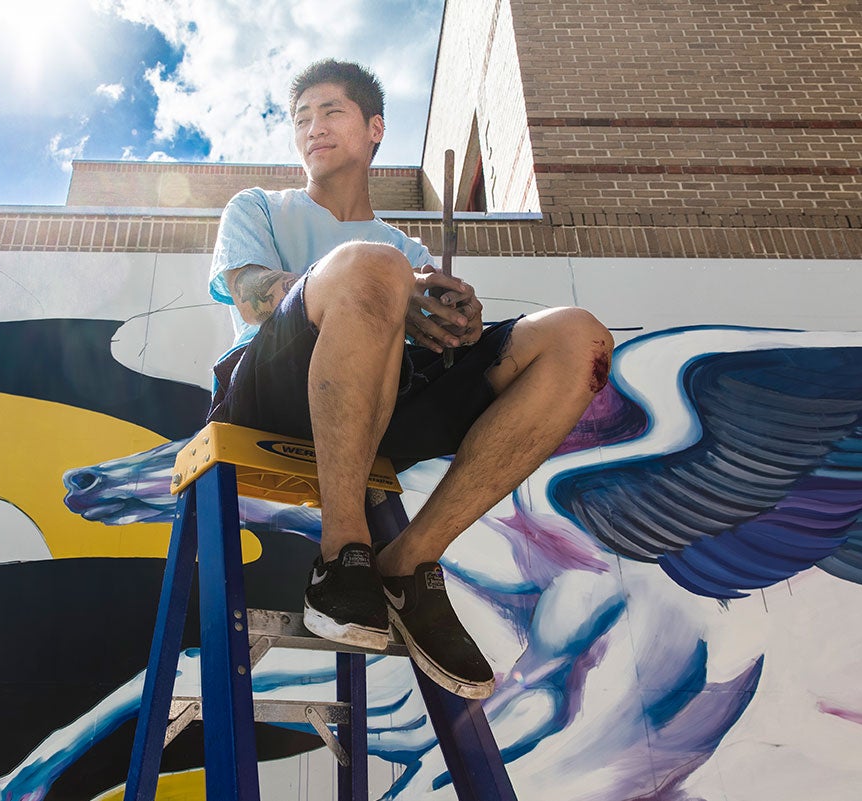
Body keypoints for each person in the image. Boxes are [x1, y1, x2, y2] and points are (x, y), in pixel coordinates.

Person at [206, 59, 612, 698]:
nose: (313, 127)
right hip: (268, 398)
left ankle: (409, 562)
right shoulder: (259, 207)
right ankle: (344, 557)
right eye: (301, 118)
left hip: (381, 402)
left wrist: (459, 326)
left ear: (374, 129)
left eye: (330, 111)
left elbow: (432, 347)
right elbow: (254, 298)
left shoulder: (408, 250)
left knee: (576, 337)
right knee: (374, 267)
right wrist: (376, 286)